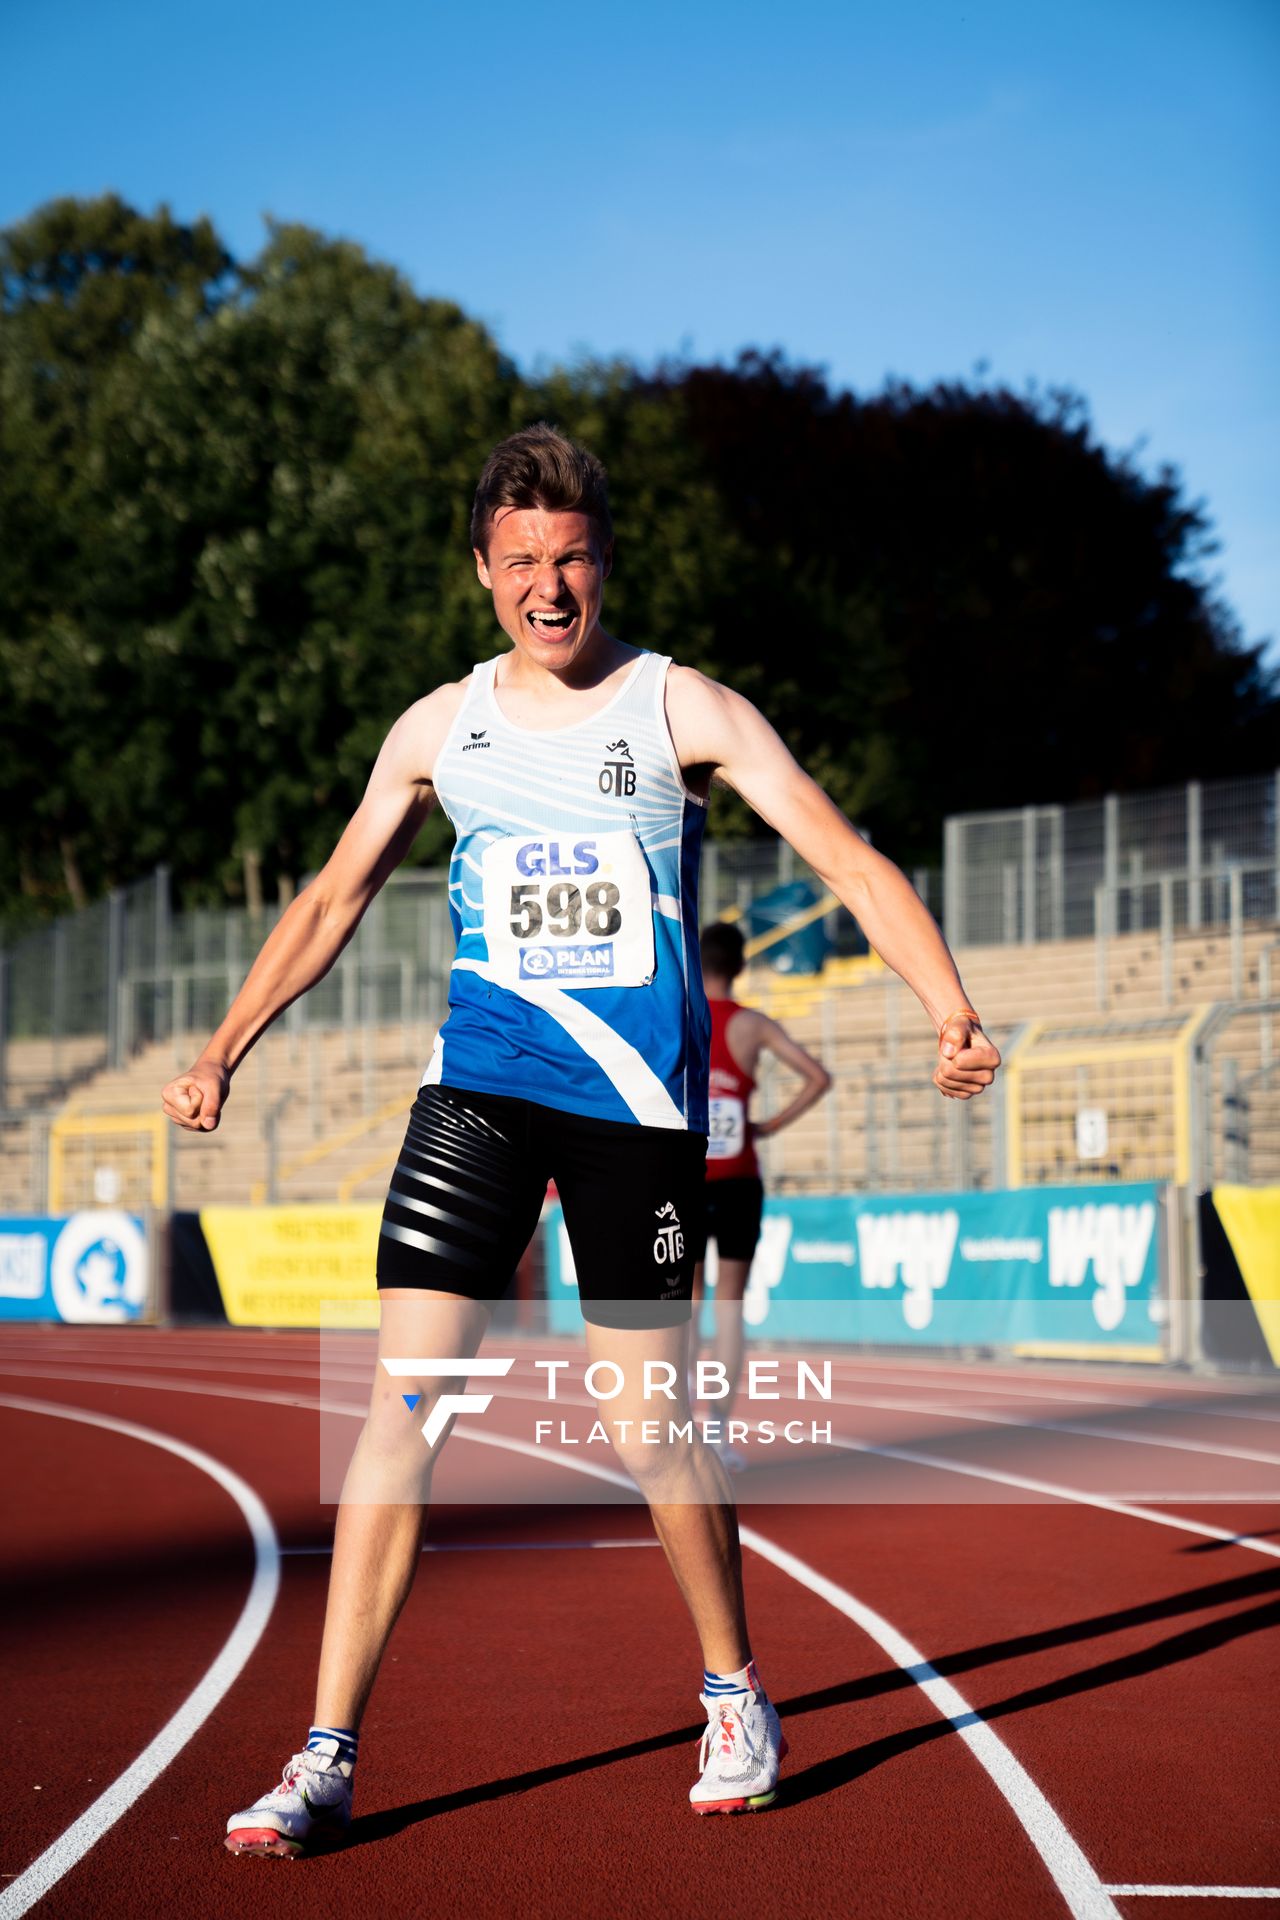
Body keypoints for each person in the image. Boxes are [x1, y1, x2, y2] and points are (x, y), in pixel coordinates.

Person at [161, 423, 1000, 1853]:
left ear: (603, 561)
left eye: (571, 558)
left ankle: (734, 1692)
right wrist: (221, 1047)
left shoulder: (682, 708)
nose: (547, 587)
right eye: (520, 562)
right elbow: (329, 899)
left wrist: (950, 1007)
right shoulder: (438, 730)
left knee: (647, 1427)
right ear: (481, 570)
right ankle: (325, 1754)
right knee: (404, 1411)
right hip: (479, 1096)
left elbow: (845, 857)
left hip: (634, 1117)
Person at [690, 919, 830, 1462]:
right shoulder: (753, 1025)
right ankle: (718, 1432)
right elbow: (817, 1076)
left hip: (684, 1177)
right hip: (738, 1179)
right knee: (729, 1306)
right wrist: (768, 1125)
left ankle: (679, 1433)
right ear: (741, 966)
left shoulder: (681, 1016)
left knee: (686, 1306)